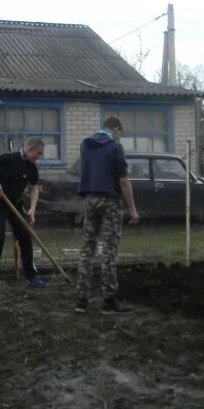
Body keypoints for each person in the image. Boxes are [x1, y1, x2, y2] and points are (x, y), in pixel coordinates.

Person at [74, 116, 139, 314]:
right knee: (109, 252)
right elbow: (123, 181)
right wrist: (133, 209)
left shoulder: (85, 145)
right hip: (110, 202)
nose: (119, 136)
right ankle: (109, 302)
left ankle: (81, 301)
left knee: (87, 249)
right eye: (120, 133)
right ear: (116, 129)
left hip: (90, 200)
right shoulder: (115, 147)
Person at [0, 136, 47, 291]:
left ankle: (31, 276)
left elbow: (34, 188)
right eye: (38, 154)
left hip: (15, 205)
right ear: (30, 150)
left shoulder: (32, 167)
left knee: (25, 237)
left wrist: (32, 209)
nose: (38, 157)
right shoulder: (8, 158)